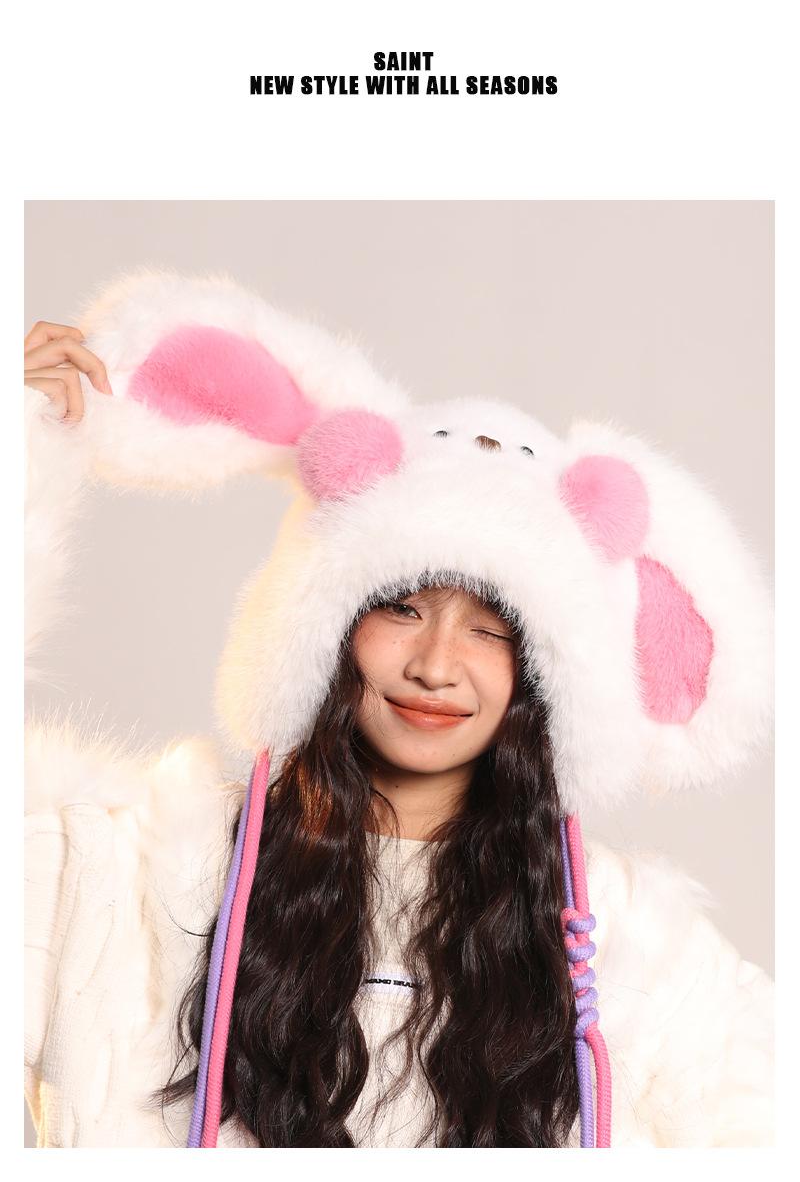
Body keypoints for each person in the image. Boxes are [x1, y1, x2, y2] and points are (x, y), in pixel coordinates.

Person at [24, 270, 775, 1149]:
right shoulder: (125, 872)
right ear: (324, 625)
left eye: (493, 629)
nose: (435, 665)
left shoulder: (632, 946)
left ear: (545, 675)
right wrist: (19, 454)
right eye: (400, 607)